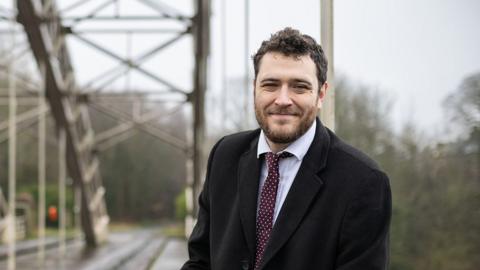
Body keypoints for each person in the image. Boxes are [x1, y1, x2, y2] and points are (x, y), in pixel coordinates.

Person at [181, 27, 391, 270]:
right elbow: (200, 261)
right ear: (254, 89)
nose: (282, 100)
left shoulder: (363, 182)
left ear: (321, 94)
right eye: (270, 85)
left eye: (299, 87)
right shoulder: (225, 155)